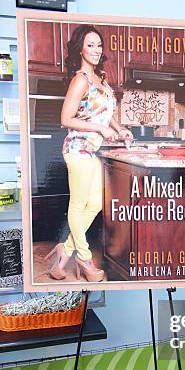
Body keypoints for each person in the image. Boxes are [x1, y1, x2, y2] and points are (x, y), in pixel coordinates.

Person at [44, 24, 133, 282]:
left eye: (99, 45)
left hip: (91, 151)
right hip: (77, 149)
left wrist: (120, 129)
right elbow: (66, 118)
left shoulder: (101, 78)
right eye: (90, 45)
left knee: (95, 203)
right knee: (78, 204)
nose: (96, 50)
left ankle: (65, 251)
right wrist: (99, 128)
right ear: (81, 50)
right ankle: (84, 258)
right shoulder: (80, 80)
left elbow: (107, 113)